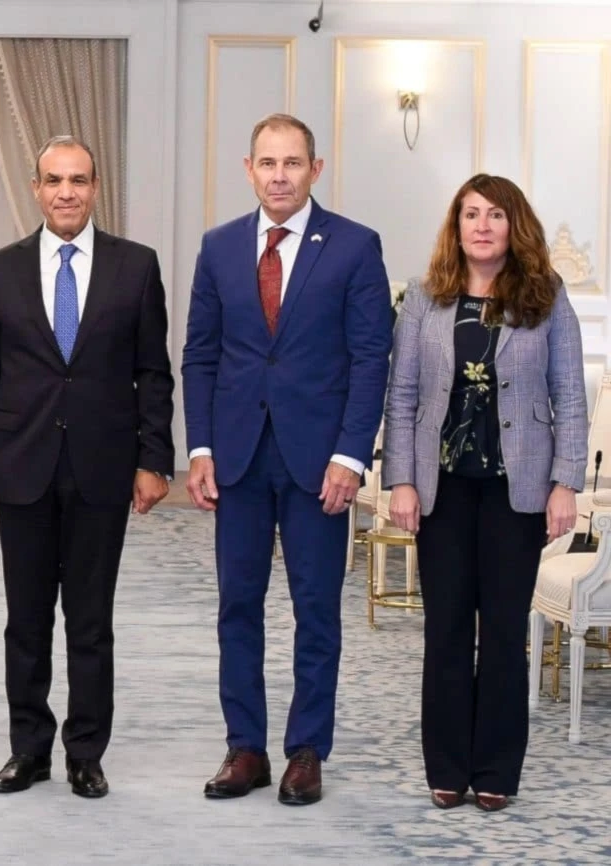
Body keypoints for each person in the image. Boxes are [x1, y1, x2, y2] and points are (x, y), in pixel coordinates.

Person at [181, 113, 393, 805]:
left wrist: (351, 455)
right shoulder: (218, 247)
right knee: (237, 607)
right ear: (248, 169)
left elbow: (371, 359)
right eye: (267, 163)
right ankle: (245, 749)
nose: (279, 175)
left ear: (315, 169)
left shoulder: (356, 247)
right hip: (238, 459)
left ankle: (306, 750)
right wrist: (202, 445)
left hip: (318, 464)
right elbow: (201, 355)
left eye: (292, 163)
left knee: (315, 611)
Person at [0, 135, 175, 799]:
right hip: (21, 467)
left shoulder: (135, 267)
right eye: (54, 180)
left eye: (78, 180)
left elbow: (152, 373)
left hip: (102, 470)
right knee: (25, 621)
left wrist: (154, 458)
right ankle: (29, 750)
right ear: (35, 188)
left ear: (95, 186)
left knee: (89, 621)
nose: (66, 192)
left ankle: (85, 751)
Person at [382, 174, 585, 812]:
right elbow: (404, 394)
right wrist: (402, 480)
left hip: (516, 494)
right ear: (457, 225)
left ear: (513, 224)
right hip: (442, 492)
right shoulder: (425, 298)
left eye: (495, 215)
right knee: (444, 629)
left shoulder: (546, 298)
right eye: (471, 214)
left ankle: (496, 770)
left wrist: (565, 484)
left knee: (502, 633)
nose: (482, 225)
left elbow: (570, 400)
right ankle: (446, 766)